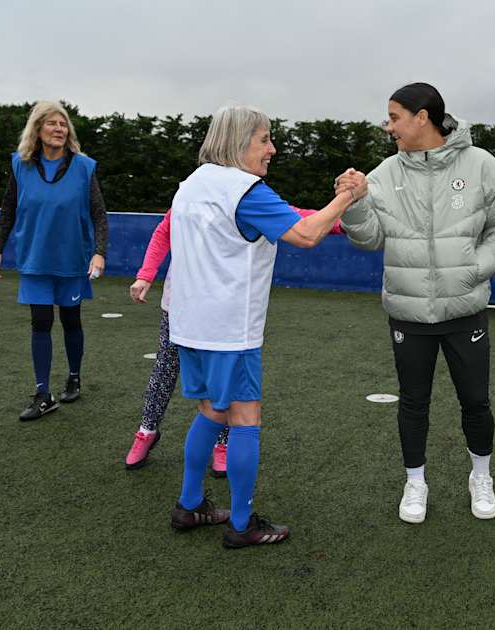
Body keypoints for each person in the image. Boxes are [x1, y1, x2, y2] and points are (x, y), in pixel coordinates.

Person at [166, 104, 365, 548]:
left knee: (210, 412)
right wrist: (349, 195)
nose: (272, 149)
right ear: (239, 142)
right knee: (244, 418)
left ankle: (190, 503)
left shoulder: (191, 184)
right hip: (229, 330)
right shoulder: (246, 190)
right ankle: (241, 525)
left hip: (188, 325)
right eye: (264, 139)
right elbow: (307, 234)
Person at [336, 83, 495, 524]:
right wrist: (354, 203)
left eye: (394, 117)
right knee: (413, 402)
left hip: (465, 310)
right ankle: (415, 483)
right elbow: (368, 239)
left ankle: (481, 477)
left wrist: (475, 268)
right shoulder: (383, 174)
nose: (388, 127)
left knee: (475, 401)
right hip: (409, 315)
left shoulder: (481, 165)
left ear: (422, 117)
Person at [125, 206, 344, 474]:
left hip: (222, 310)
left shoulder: (247, 196)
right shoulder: (190, 194)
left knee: (222, 376)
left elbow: (293, 217)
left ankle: (223, 443)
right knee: (165, 368)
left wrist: (346, 222)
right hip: (180, 304)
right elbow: (164, 231)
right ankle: (147, 430)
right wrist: (145, 274)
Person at [0, 100, 108, 421]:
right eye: (52, 123)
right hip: (35, 258)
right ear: (37, 129)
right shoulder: (21, 165)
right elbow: (8, 208)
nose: (59, 129)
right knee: (40, 322)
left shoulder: (83, 167)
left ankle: (74, 377)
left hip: (72, 259)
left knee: (71, 320)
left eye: (63, 124)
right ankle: (43, 394)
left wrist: (99, 252)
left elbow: (99, 213)